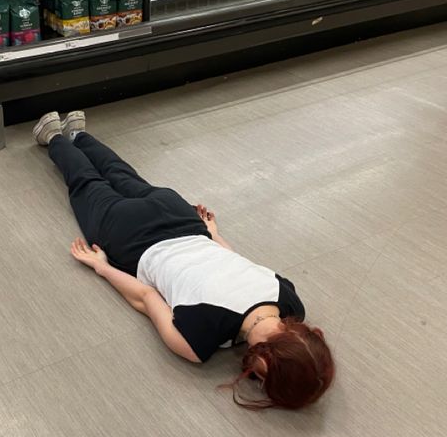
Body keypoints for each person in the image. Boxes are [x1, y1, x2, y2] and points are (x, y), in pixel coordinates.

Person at [34, 110, 334, 410]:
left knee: (120, 172)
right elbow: (145, 296)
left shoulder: (291, 301)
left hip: (178, 214)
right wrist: (103, 266)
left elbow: (235, 262)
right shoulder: (198, 341)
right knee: (87, 184)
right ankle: (54, 137)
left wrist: (210, 234)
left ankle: (79, 134)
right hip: (132, 237)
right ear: (264, 366)